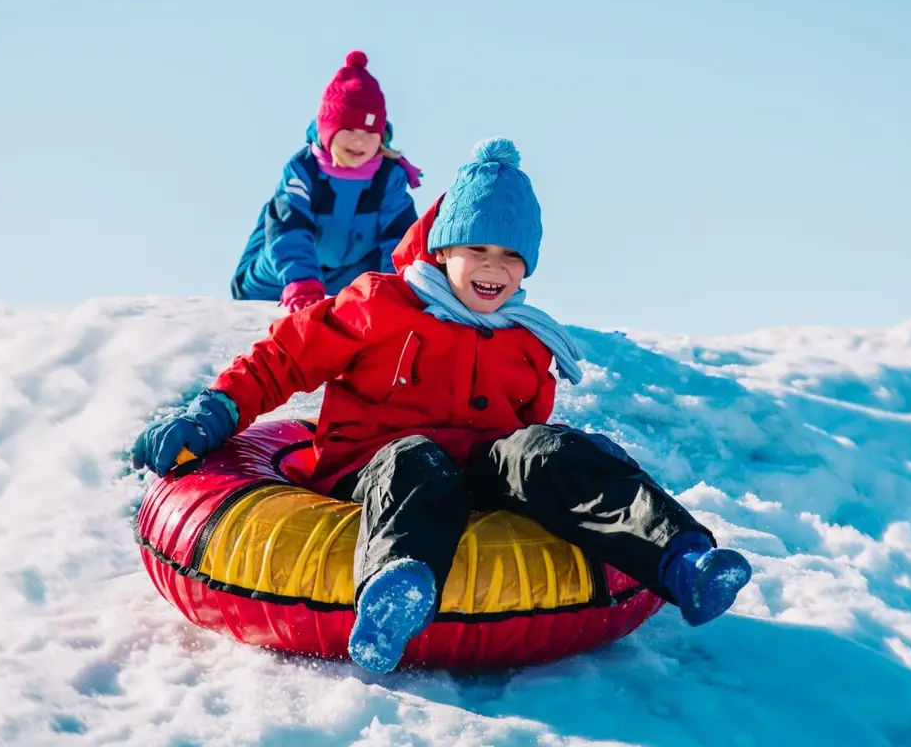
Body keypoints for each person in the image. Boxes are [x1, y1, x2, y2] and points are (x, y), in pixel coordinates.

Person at [135, 139, 751, 673]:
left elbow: (523, 436)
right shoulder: (381, 304)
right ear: (442, 250)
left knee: (548, 448)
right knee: (418, 458)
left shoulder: (526, 341)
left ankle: (681, 560)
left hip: (477, 476)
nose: (494, 268)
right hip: (372, 469)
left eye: (511, 257)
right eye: (478, 250)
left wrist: (562, 469)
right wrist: (214, 411)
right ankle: (393, 592)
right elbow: (284, 359)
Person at [231, 50, 422, 310]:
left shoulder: (388, 177)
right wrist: (302, 281)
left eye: (369, 132)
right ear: (329, 130)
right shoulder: (304, 170)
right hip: (281, 270)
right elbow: (289, 229)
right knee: (272, 268)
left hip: (348, 271)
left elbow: (399, 238)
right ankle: (292, 284)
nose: (359, 140)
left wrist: (397, 293)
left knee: (382, 278)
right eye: (349, 130)